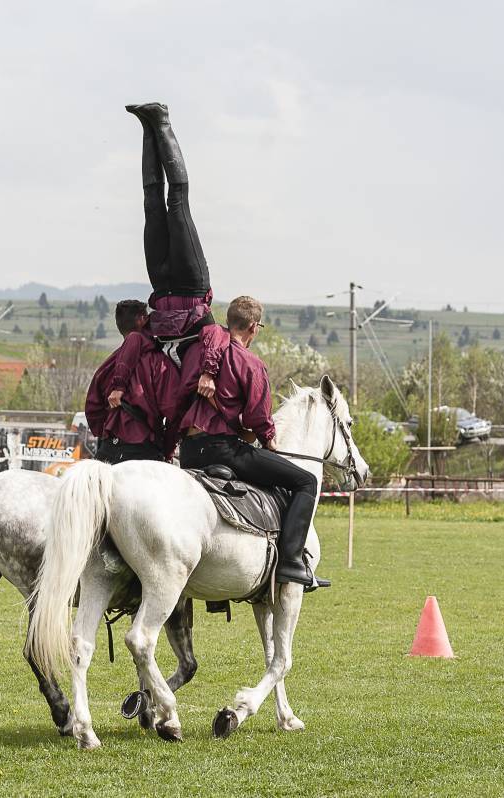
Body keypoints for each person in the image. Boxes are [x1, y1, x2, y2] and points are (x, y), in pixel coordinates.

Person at [176, 296, 328, 590]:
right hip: (224, 450)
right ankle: (291, 563)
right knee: (305, 481)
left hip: (191, 452)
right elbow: (259, 417)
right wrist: (269, 439)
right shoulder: (250, 363)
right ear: (254, 327)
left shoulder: (200, 354)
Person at [126, 102, 227, 398]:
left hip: (162, 286)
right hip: (191, 284)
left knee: (152, 204)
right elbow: (219, 334)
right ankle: (162, 122)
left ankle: (148, 127)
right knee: (177, 203)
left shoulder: (172, 368)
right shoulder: (204, 357)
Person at [85, 300, 181, 463]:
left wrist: (108, 430)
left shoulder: (107, 365)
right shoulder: (160, 363)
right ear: (142, 320)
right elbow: (174, 411)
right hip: (143, 448)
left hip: (108, 448)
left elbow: (92, 408)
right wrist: (168, 448)